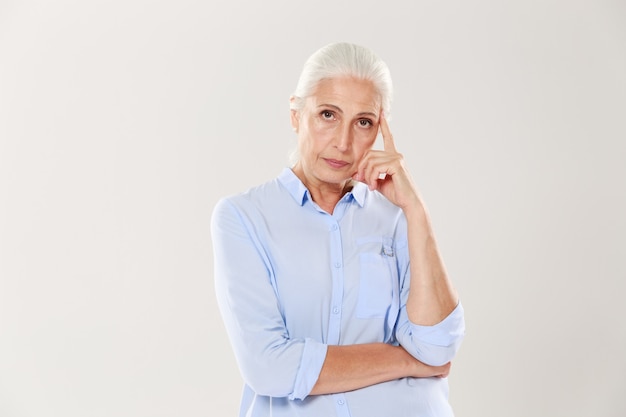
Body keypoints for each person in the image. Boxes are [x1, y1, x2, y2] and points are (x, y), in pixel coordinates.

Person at [211, 42, 465, 417]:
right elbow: (269, 366)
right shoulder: (244, 217)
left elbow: (438, 347)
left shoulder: (396, 218)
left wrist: (416, 210)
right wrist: (408, 362)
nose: (343, 143)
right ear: (296, 114)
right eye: (328, 114)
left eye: (363, 122)